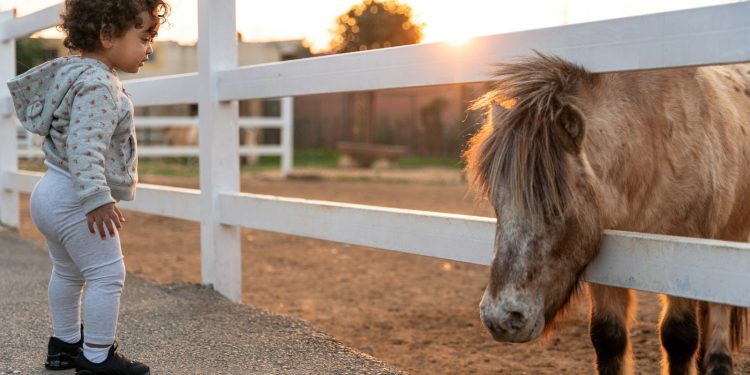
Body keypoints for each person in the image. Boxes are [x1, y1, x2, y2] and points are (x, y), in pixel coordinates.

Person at [6, 1, 169, 373]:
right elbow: (84, 146)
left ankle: (64, 345)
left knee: (67, 272)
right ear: (108, 35)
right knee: (107, 275)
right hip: (76, 198)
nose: (150, 49)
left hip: (50, 190)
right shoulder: (98, 84)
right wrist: (96, 199)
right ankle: (97, 357)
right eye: (144, 38)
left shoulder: (72, 73)